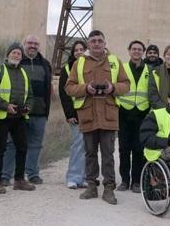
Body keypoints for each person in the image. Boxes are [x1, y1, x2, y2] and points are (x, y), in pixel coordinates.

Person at [65, 30, 130, 205]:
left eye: (100, 40)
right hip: (88, 114)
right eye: (93, 41)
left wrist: (112, 88)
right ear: (89, 43)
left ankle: (109, 188)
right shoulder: (79, 63)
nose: (96, 43)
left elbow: (126, 85)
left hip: (108, 115)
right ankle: (91, 186)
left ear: (104, 42)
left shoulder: (115, 62)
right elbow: (69, 87)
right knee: (90, 153)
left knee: (108, 154)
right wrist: (86, 88)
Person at [2, 35, 52, 185]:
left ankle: (32, 173)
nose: (33, 46)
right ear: (24, 45)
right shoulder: (17, 62)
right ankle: (5, 175)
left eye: (36, 43)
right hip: (18, 112)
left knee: (36, 144)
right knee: (11, 143)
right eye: (30, 43)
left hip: (39, 111)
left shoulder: (45, 64)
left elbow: (48, 88)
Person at [0, 43, 36, 193]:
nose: (16, 55)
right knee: (0, 148)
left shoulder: (24, 73)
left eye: (19, 54)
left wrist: (28, 106)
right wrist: (5, 106)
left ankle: (19, 180)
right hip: (2, 116)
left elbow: (30, 95)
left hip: (20, 117)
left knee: (22, 147)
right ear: (8, 54)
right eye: (14, 53)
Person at [117, 40, 150, 193]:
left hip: (142, 114)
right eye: (134, 49)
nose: (136, 51)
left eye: (139, 49)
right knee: (124, 149)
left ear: (143, 52)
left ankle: (136, 182)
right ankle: (124, 180)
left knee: (139, 149)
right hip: (124, 113)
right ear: (129, 50)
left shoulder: (149, 70)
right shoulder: (121, 68)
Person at [59, 40, 88, 189]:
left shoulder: (90, 66)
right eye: (76, 50)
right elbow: (64, 94)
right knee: (77, 144)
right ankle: (73, 177)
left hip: (89, 112)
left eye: (81, 49)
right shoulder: (67, 68)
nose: (78, 52)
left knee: (88, 146)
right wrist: (69, 113)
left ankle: (83, 177)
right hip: (75, 113)